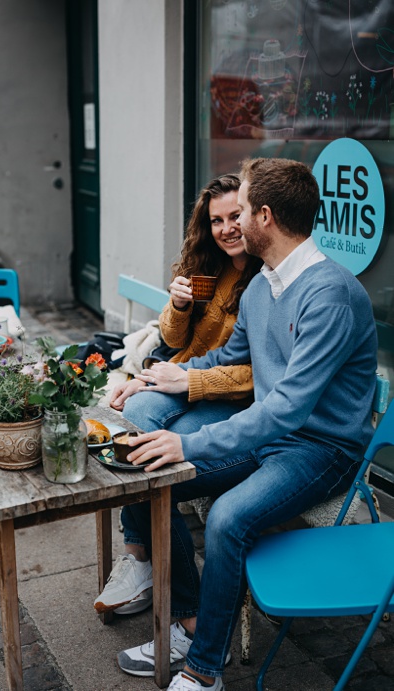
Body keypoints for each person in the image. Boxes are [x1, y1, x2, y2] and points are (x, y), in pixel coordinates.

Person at [112, 158, 377, 691]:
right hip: (272, 440)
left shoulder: (332, 294)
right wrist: (152, 377)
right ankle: (191, 620)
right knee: (149, 478)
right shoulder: (262, 288)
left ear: (265, 216)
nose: (232, 220)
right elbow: (221, 360)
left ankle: (204, 671)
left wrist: (189, 441)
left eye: (243, 206)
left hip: (323, 450)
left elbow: (287, 408)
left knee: (227, 520)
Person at [95, 174, 262, 616]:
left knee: (148, 461)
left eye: (234, 216)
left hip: (227, 398)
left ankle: (176, 597)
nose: (226, 228)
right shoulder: (213, 265)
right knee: (132, 419)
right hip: (184, 377)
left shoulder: (266, 281)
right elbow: (174, 338)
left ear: (254, 215)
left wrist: (178, 379)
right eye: (216, 220)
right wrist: (179, 306)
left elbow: (257, 372)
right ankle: (142, 559)